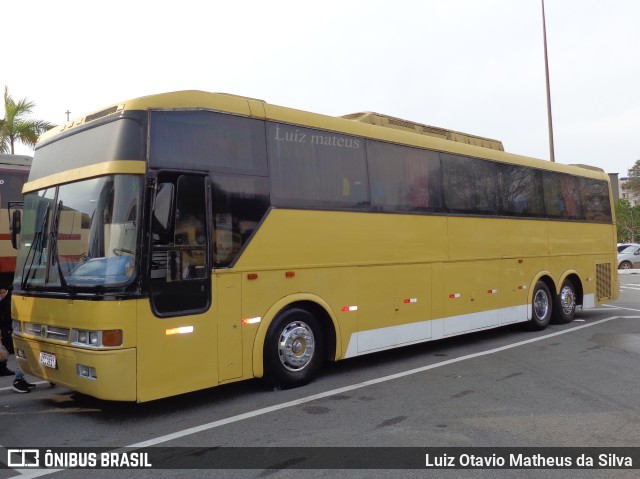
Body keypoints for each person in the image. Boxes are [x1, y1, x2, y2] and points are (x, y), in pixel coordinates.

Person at [0, 287, 13, 354]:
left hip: (8, 325)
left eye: (4, 292)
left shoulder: (8, 302)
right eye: (1, 293)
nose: (2, 294)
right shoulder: (2, 302)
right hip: (3, 326)